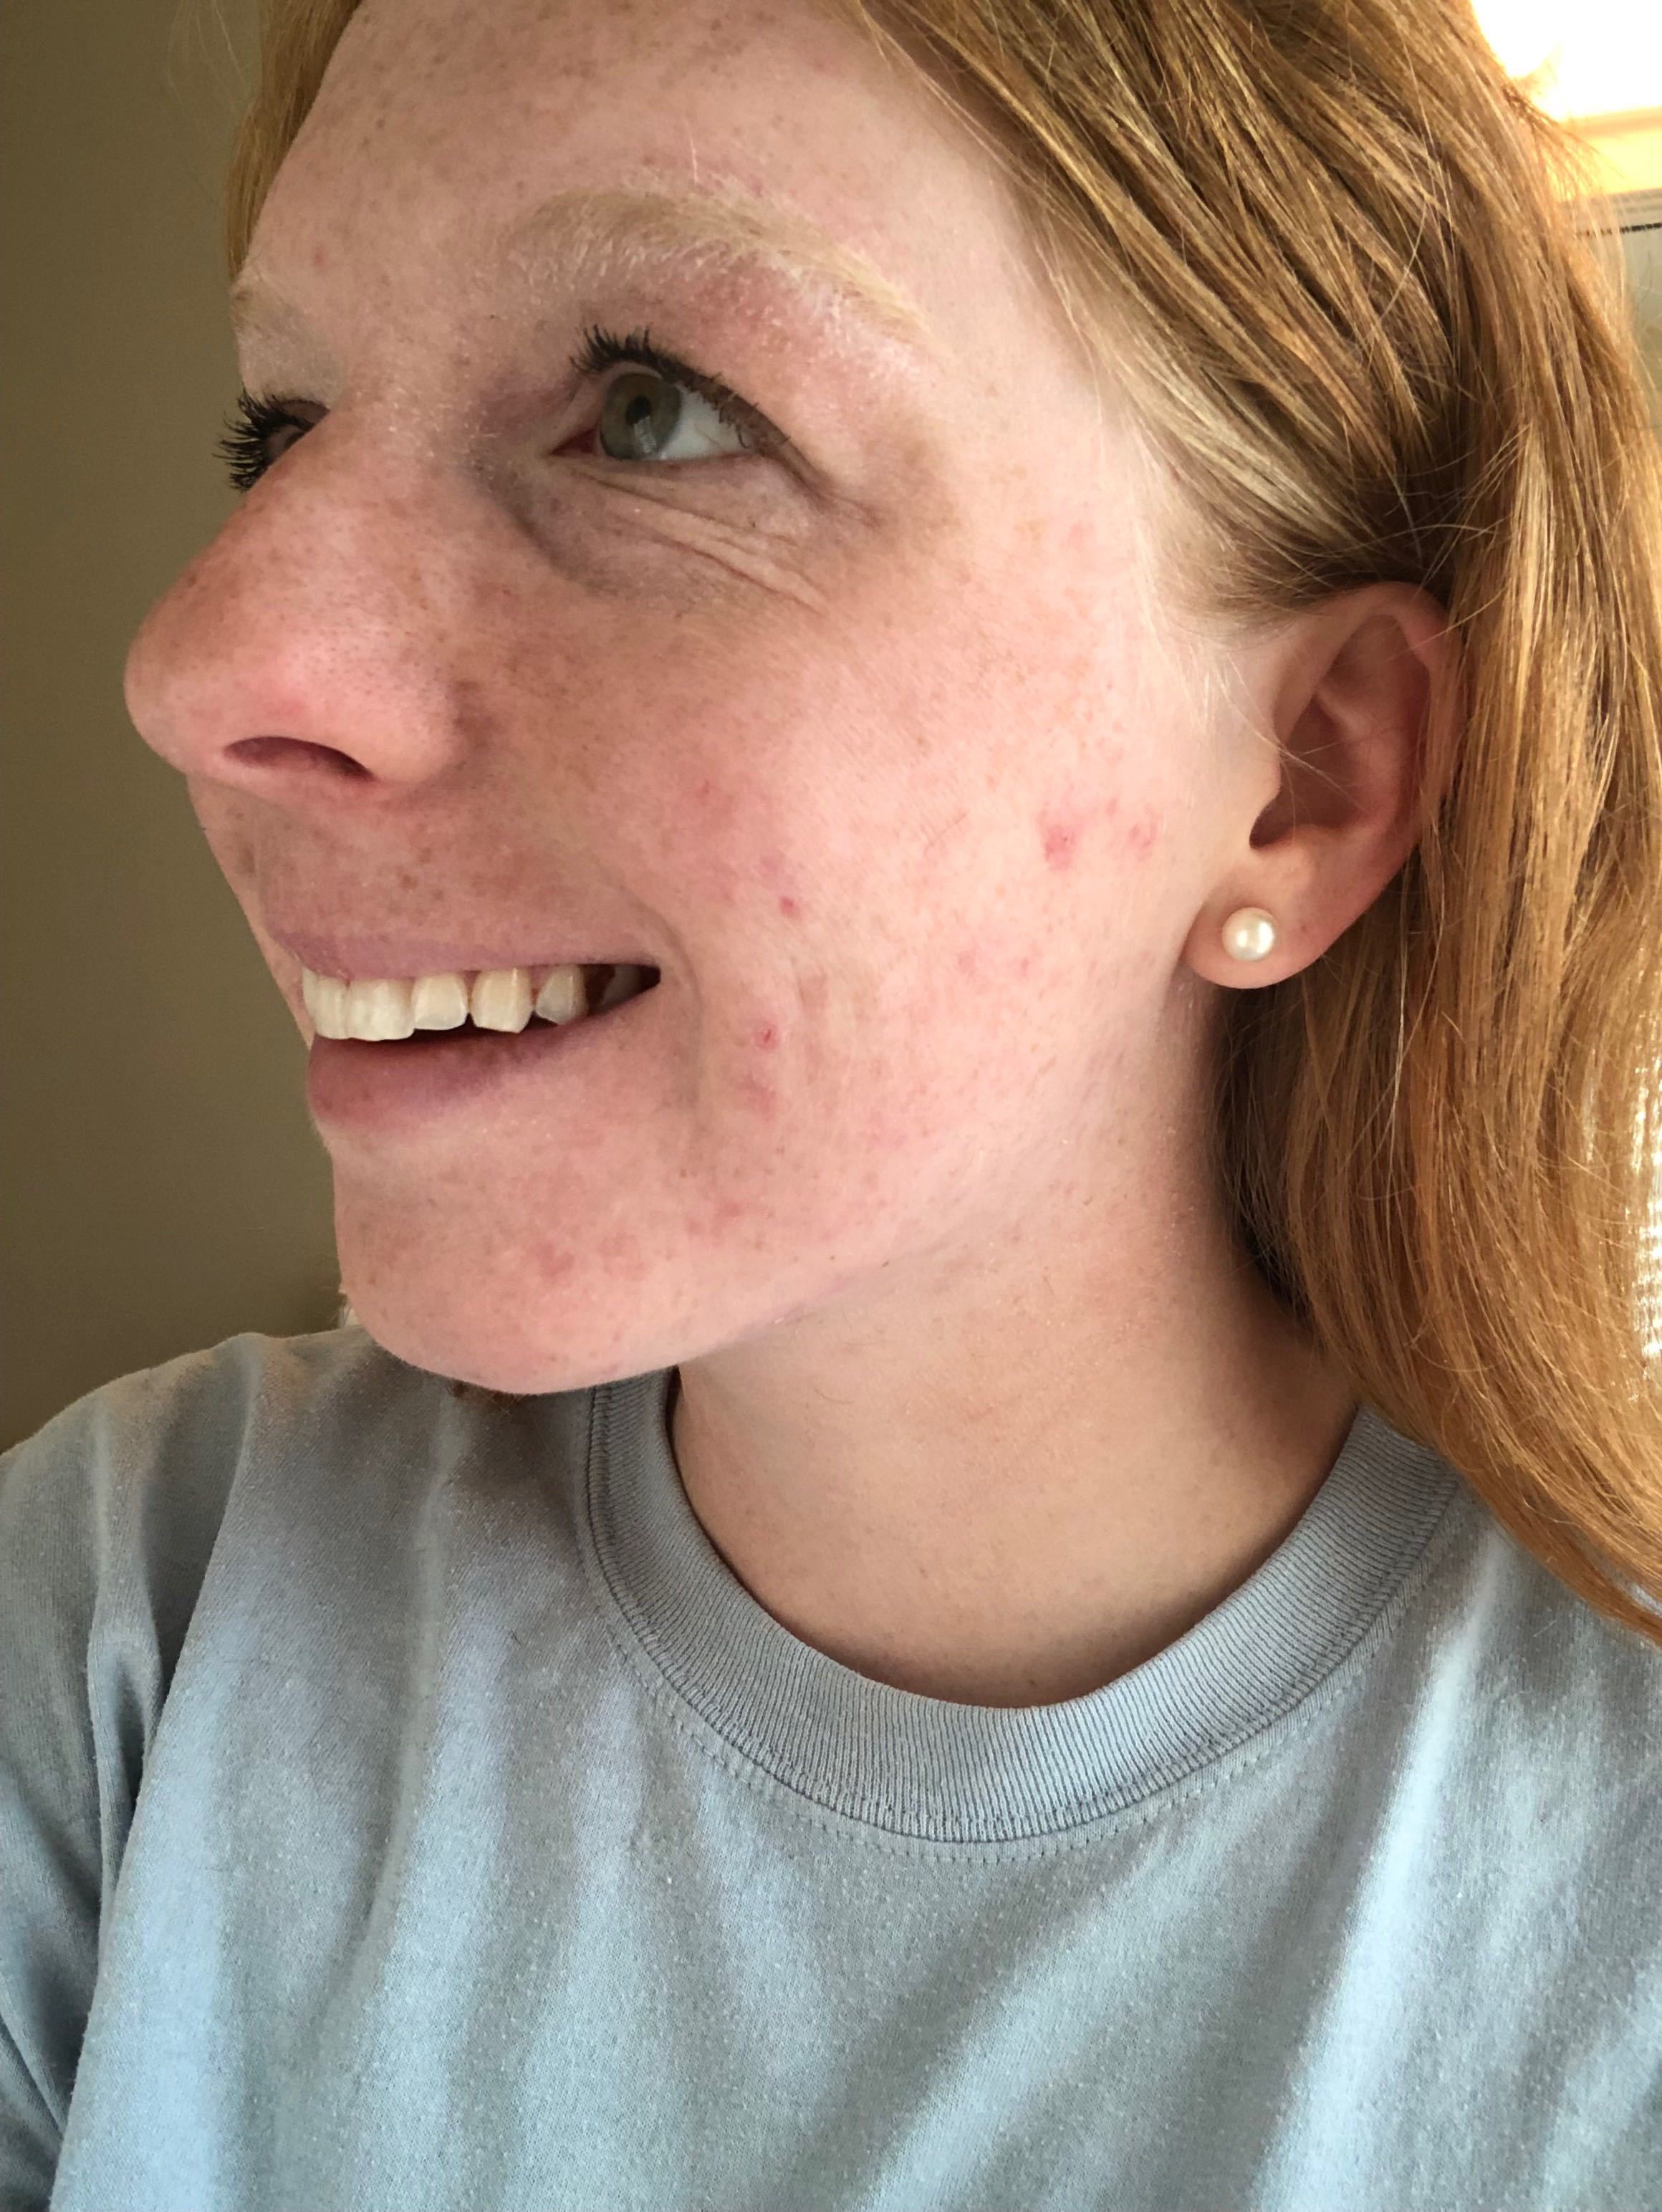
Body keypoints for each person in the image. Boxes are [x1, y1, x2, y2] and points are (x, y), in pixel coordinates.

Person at [4, 0, 1661, 2203]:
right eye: (283, 425)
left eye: (656, 412)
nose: (201, 664)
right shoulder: (131, 1618)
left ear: (1304, 775)